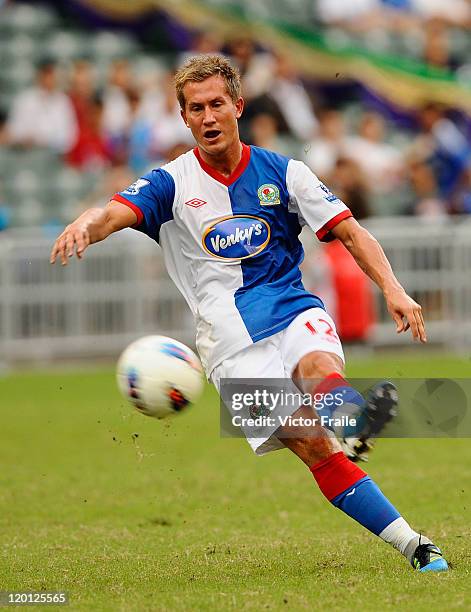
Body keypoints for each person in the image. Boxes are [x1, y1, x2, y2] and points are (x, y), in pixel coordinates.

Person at [50, 55, 448, 573]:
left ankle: (353, 420)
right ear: (184, 118)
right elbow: (109, 214)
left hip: (291, 308)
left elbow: (350, 230)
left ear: (238, 106)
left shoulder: (286, 173)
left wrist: (394, 289)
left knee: (318, 371)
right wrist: (85, 224)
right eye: (197, 109)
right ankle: (414, 544)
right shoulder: (170, 184)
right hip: (228, 344)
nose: (209, 117)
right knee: (313, 448)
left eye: (217, 104)